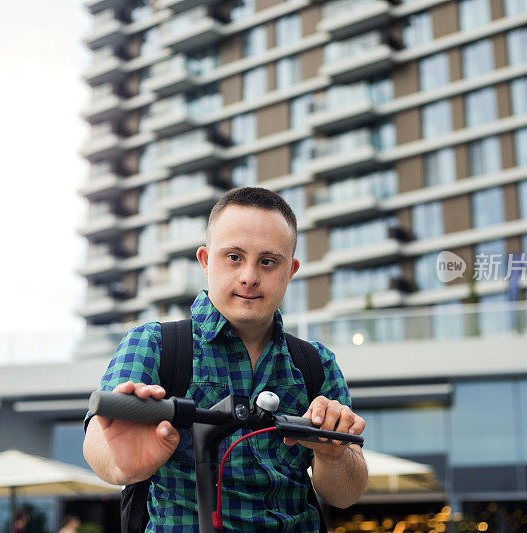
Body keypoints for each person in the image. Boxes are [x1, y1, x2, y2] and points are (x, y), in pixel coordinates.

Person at [83, 187, 368, 532]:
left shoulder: (316, 363)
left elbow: (346, 494)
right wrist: (123, 463)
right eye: (234, 257)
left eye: (267, 261)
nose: (249, 276)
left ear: (290, 270)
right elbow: (100, 439)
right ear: (205, 260)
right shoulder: (154, 344)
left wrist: (332, 453)